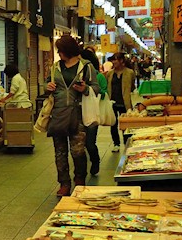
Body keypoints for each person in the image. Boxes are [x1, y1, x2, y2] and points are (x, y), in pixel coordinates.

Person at [46, 35, 99, 197]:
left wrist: (85, 89)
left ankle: (79, 179)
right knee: (60, 152)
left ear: (68, 50)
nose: (59, 53)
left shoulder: (86, 66)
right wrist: (47, 86)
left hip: (78, 114)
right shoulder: (55, 67)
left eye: (61, 50)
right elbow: (46, 85)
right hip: (59, 114)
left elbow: (96, 88)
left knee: (78, 151)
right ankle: (64, 184)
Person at [80, 48, 107, 176]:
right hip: (77, 113)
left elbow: (102, 92)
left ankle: (95, 161)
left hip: (92, 111)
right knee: (80, 146)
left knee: (90, 143)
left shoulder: (98, 75)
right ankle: (81, 172)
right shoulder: (75, 73)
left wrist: (87, 89)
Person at [104, 52, 136, 152]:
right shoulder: (109, 74)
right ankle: (116, 144)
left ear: (121, 61)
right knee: (113, 123)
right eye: (112, 60)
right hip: (112, 101)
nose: (113, 62)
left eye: (115, 60)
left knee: (126, 124)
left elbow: (132, 87)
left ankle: (127, 143)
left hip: (124, 102)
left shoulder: (130, 72)